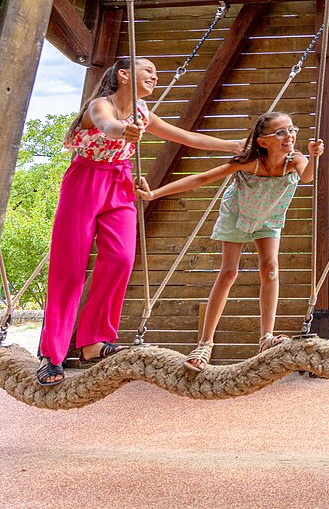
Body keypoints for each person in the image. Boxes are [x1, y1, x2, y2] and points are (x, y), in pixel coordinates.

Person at [37, 57, 243, 386]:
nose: (155, 77)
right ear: (124, 74)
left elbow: (187, 137)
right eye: (149, 71)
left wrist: (233, 145)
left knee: (120, 258)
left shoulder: (145, 112)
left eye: (156, 74)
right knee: (70, 268)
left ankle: (93, 341)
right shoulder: (99, 105)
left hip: (120, 182)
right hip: (85, 182)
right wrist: (124, 130)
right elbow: (106, 125)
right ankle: (52, 354)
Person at [136, 111, 322, 371]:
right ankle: (205, 344)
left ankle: (266, 337)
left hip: (268, 217)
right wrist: (155, 193)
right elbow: (203, 178)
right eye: (280, 132)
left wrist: (313, 155)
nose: (289, 135)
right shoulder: (248, 164)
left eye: (291, 129)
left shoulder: (296, 160)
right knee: (228, 272)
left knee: (270, 269)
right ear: (263, 142)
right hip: (236, 214)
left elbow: (307, 177)